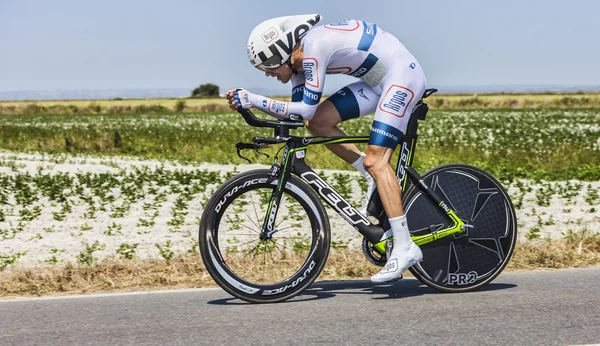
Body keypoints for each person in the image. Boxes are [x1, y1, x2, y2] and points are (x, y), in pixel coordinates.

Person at [226, 14, 425, 283]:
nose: (269, 75)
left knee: (377, 162)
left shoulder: (315, 47)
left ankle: (405, 246)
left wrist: (255, 99)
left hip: (402, 78)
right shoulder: (297, 66)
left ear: (281, 53)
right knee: (317, 123)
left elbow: (305, 106)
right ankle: (371, 177)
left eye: (268, 67)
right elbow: (301, 116)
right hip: (377, 83)